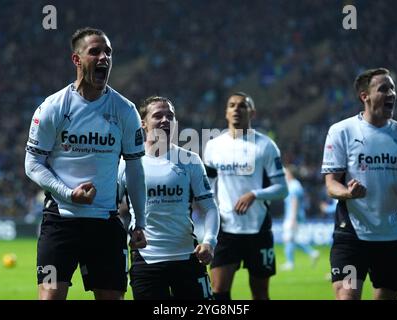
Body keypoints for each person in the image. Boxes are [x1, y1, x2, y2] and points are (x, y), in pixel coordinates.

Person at [24, 27, 147, 300]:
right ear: (76, 60)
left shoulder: (125, 111)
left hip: (105, 223)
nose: (104, 58)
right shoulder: (53, 107)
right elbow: (32, 163)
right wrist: (68, 194)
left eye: (108, 53)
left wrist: (140, 220)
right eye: (95, 52)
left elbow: (136, 169)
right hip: (60, 221)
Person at [321, 68, 397, 300]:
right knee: (347, 296)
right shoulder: (341, 131)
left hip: (391, 237)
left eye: (392, 88)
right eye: (383, 88)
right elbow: (331, 184)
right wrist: (348, 193)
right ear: (364, 96)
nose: (391, 93)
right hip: (352, 235)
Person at [118, 96, 219, 300]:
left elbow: (210, 207)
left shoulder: (190, 160)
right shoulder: (126, 163)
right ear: (143, 123)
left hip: (187, 258)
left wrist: (209, 242)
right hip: (147, 261)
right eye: (158, 116)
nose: (165, 120)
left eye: (170, 116)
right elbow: (109, 210)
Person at [203, 92, 288, 300]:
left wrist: (254, 194)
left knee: (260, 292)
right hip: (225, 229)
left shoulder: (266, 146)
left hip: (258, 228)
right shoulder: (214, 146)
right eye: (232, 105)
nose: (236, 109)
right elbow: (208, 188)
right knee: (219, 290)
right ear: (226, 112)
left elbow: (282, 189)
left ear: (253, 113)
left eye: (242, 106)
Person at [280, 165, 319, 271]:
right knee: (292, 239)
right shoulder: (296, 185)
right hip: (296, 216)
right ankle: (312, 253)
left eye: (285, 173)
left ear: (290, 174)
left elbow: (294, 202)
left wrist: (292, 218)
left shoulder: (293, 186)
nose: (284, 175)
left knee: (288, 239)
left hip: (292, 216)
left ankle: (290, 263)